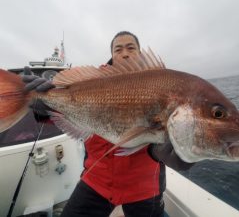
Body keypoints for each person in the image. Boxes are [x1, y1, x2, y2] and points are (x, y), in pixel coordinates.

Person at [23, 31, 193, 217]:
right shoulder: (94, 81)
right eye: (118, 49)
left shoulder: (159, 83)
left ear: (140, 53)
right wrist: (43, 107)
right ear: (112, 55)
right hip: (96, 179)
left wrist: (181, 153)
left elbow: (165, 134)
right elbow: (68, 111)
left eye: (131, 48)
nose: (125, 53)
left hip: (143, 186)